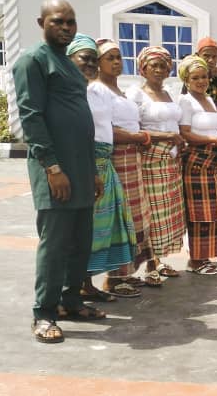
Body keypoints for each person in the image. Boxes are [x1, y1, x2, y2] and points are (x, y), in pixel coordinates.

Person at [14, 0, 103, 343]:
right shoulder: (33, 60)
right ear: (42, 22)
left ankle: (70, 301)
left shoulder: (67, 63)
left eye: (71, 22)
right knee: (55, 243)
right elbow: (31, 116)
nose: (66, 27)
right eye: (58, 22)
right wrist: (52, 167)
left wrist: (92, 170)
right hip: (55, 170)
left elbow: (81, 119)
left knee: (81, 240)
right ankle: (44, 313)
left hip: (81, 169)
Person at [69, 34, 137, 301]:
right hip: (86, 162)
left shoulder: (99, 91)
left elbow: (108, 125)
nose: (91, 65)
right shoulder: (73, 91)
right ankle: (75, 287)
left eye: (93, 61)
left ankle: (88, 283)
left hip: (105, 161)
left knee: (103, 227)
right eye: (86, 59)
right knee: (86, 227)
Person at [96, 38, 160, 291]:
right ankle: (114, 277)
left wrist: (139, 137)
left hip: (133, 158)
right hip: (117, 158)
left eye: (118, 57)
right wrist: (137, 137)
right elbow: (104, 129)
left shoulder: (119, 90)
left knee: (135, 215)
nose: (115, 62)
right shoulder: (98, 90)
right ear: (97, 63)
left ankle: (126, 272)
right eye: (109, 58)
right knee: (120, 217)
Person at [127, 46, 187, 280]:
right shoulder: (136, 94)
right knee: (151, 210)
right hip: (151, 156)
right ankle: (149, 264)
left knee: (167, 212)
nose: (160, 70)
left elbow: (175, 124)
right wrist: (167, 137)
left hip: (171, 159)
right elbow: (135, 129)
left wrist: (177, 142)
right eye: (154, 65)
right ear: (142, 68)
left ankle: (158, 260)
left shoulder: (169, 93)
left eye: (163, 65)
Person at [178, 55, 217, 275]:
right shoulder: (185, 101)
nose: (201, 81)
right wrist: (214, 141)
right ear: (186, 80)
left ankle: (206, 256)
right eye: (195, 77)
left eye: (204, 77)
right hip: (197, 160)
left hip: (214, 163)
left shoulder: (209, 100)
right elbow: (185, 133)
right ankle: (196, 260)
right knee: (199, 213)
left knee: (213, 211)